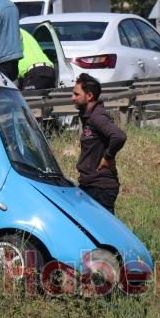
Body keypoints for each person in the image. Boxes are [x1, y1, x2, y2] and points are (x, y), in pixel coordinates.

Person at [70, 73, 127, 214]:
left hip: (100, 187)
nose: (72, 98)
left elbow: (119, 136)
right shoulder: (88, 116)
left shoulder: (97, 116)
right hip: (89, 185)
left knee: (103, 233)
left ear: (89, 96)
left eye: (76, 94)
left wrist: (107, 157)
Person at [17, 29, 55, 93]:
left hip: (34, 72)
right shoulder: (22, 31)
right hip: (49, 69)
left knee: (29, 100)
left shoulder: (11, 31)